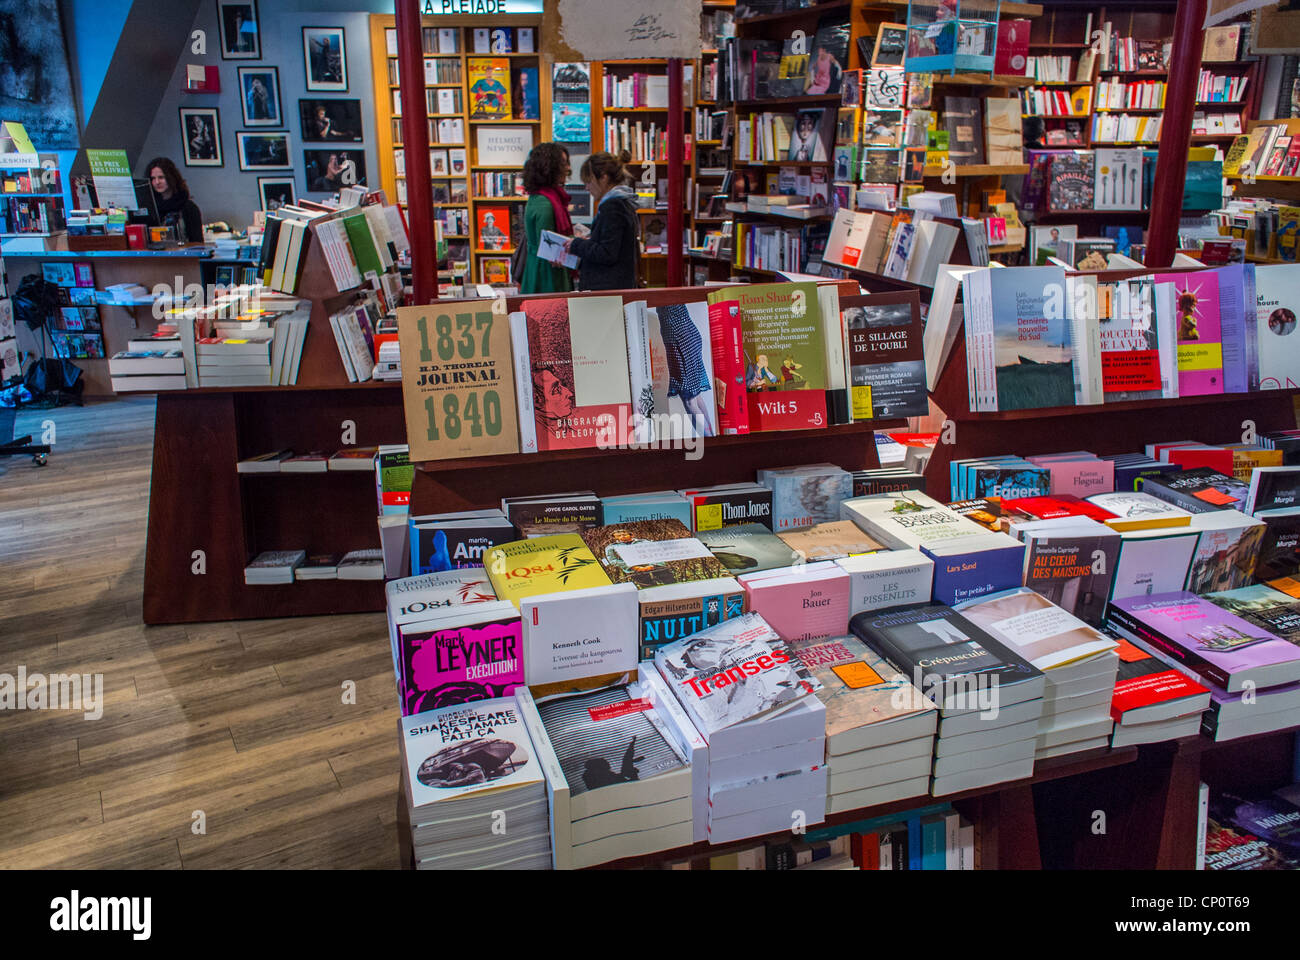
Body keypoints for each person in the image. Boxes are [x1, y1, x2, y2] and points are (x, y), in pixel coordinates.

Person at [565, 151, 640, 292]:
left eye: (589, 181)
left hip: (606, 289)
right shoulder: (624, 202)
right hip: (618, 285)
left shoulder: (612, 207)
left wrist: (576, 244)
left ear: (603, 178)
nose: (587, 188)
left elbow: (607, 253)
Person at [520, 142, 573, 294]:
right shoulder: (545, 202)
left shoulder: (542, 197)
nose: (568, 168)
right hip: (547, 275)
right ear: (549, 167)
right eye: (563, 163)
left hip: (543, 270)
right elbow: (549, 245)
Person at [145, 157, 203, 243]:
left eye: (161, 177)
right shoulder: (150, 207)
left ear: (171, 177)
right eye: (153, 178)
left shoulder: (189, 207)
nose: (157, 182)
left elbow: (197, 242)